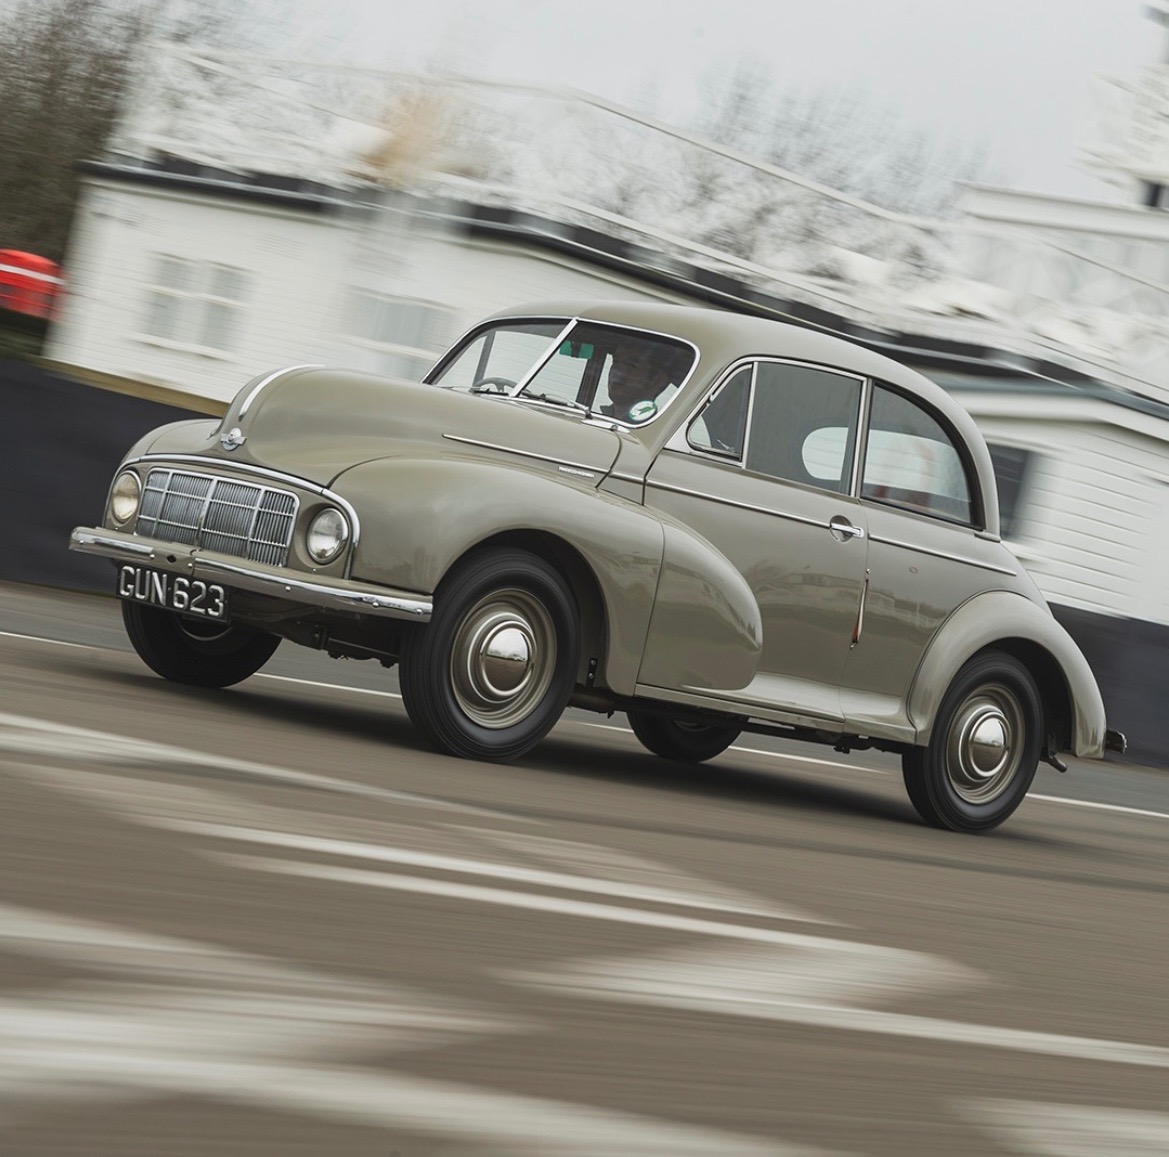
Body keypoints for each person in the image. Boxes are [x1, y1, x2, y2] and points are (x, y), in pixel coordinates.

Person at [599, 336, 689, 421]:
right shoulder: (595, 418)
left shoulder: (655, 433)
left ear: (658, 380)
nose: (617, 373)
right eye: (616, 361)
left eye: (631, 366)